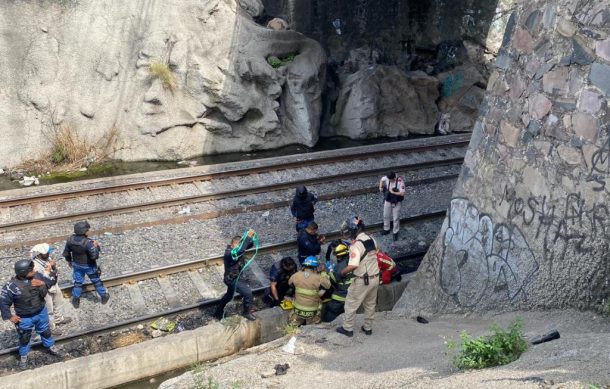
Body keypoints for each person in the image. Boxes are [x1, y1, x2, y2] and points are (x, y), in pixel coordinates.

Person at [1, 259, 64, 370]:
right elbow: (3, 302)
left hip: (40, 312)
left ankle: (50, 345)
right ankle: (23, 356)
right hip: (24, 318)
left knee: (45, 331)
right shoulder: (11, 286)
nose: (35, 270)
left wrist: (50, 274)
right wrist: (10, 316)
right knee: (24, 337)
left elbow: (52, 281)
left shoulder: (38, 277)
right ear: (24, 272)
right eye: (32, 269)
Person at [336, 217, 380, 337]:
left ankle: (348, 328)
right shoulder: (372, 239)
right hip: (375, 277)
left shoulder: (355, 246)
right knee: (370, 304)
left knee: (351, 303)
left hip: (363, 280)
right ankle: (368, 328)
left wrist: (342, 272)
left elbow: (353, 265)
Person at [62, 221, 109, 308]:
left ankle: (76, 299)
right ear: (84, 231)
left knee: (78, 282)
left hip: (76, 265)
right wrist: (96, 247)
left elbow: (66, 253)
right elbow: (94, 256)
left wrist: (69, 261)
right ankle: (104, 295)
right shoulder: (88, 243)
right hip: (89, 266)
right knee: (96, 281)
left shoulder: (70, 240)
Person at [214, 229, 257, 321]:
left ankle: (218, 311)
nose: (239, 247)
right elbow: (240, 251)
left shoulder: (237, 248)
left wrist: (251, 238)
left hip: (234, 277)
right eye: (237, 246)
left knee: (229, 295)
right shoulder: (229, 253)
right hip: (232, 279)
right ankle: (246, 312)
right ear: (232, 244)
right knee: (248, 293)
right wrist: (248, 236)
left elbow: (247, 246)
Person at [30, 243, 72, 333]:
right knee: (49, 308)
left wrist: (53, 266)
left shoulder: (47, 259)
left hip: (53, 284)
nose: (48, 254)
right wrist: (47, 271)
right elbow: (42, 280)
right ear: (40, 254)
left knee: (58, 301)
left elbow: (53, 273)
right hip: (45, 289)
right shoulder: (35, 266)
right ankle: (51, 327)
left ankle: (58, 319)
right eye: (46, 253)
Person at [288, 256, 331, 326]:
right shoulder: (319, 278)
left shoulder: (296, 275)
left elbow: (289, 283)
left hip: (298, 309)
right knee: (312, 328)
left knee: (293, 326)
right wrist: (323, 273)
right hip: (312, 311)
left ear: (304, 266)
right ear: (315, 267)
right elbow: (328, 285)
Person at [322, 243, 354, 322]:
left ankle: (327, 324)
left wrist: (323, 273)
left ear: (339, 257)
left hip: (341, 297)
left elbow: (332, 281)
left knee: (331, 311)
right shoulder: (354, 261)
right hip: (353, 295)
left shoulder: (339, 266)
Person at [379, 171, 406, 241]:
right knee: (386, 215)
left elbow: (402, 193)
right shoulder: (387, 178)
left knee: (396, 218)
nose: (389, 181)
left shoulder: (400, 181)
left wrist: (393, 192)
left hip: (396, 201)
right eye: (388, 180)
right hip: (388, 199)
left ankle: (395, 232)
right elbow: (382, 179)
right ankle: (386, 229)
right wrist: (380, 187)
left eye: (390, 180)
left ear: (394, 178)